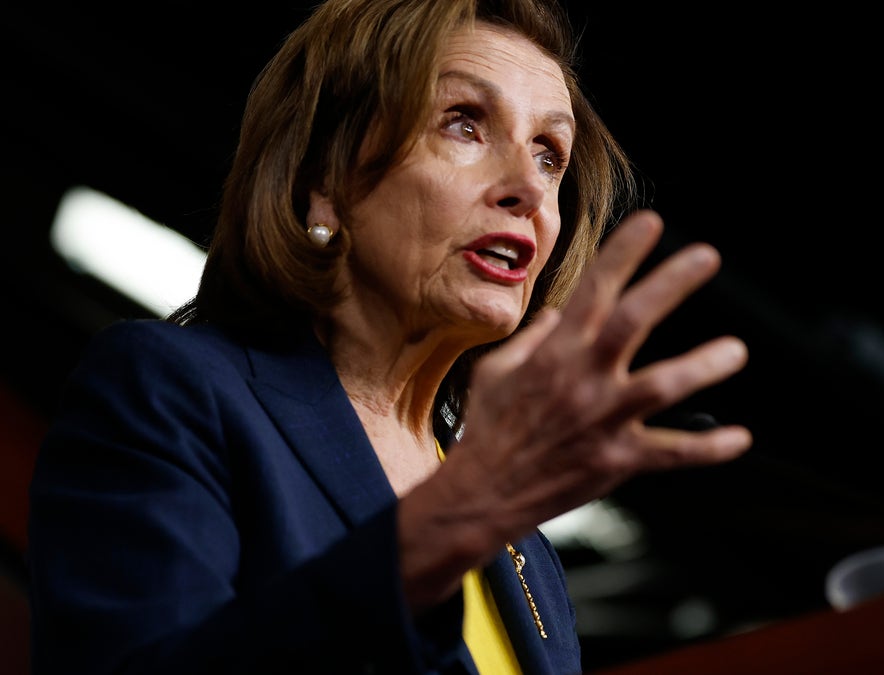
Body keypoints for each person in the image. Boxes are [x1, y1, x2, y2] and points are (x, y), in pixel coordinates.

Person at [25, 0, 752, 673]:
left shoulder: (526, 548)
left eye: (548, 154)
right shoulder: (172, 391)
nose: (528, 189)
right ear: (324, 177)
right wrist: (449, 520)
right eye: (464, 122)